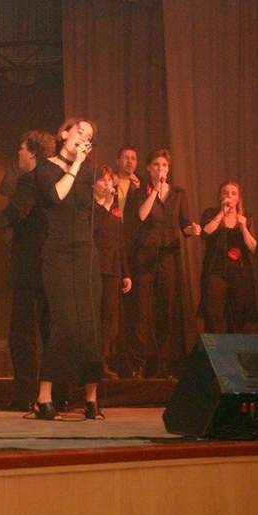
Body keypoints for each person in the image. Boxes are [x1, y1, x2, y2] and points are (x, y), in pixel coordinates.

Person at [0, 130, 53, 411]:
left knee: (23, 333)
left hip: (30, 266)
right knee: (50, 332)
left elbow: (16, 213)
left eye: (22, 149)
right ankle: (55, 395)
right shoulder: (56, 180)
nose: (18, 153)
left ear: (33, 153)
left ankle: (25, 395)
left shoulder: (30, 180)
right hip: (53, 266)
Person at [31, 118, 101, 420]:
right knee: (64, 322)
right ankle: (44, 396)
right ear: (64, 134)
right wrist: (76, 166)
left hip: (84, 251)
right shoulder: (45, 168)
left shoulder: (87, 172)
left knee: (89, 323)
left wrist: (103, 195)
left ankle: (91, 398)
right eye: (79, 131)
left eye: (89, 135)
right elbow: (56, 196)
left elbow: (87, 209)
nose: (84, 137)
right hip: (57, 251)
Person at [133, 149, 201, 378]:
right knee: (143, 310)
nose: (160, 168)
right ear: (148, 168)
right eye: (156, 165)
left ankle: (164, 364)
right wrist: (155, 191)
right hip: (145, 256)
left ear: (168, 169)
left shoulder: (179, 194)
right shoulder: (141, 191)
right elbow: (141, 216)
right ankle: (141, 363)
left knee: (167, 309)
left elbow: (184, 224)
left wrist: (192, 229)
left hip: (169, 257)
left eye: (164, 165)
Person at [198, 181, 258, 333]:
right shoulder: (211, 213)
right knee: (213, 314)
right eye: (225, 193)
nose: (229, 196)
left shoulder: (246, 217)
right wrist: (221, 214)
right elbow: (205, 232)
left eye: (233, 193)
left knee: (237, 315)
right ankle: (214, 347)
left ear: (238, 198)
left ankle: (234, 346)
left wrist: (243, 227)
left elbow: (253, 247)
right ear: (220, 196)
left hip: (239, 271)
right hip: (215, 270)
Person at [93, 165, 132, 379]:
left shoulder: (115, 207)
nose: (108, 183)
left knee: (109, 316)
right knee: (94, 315)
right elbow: (93, 230)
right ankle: (91, 361)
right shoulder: (89, 207)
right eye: (103, 180)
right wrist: (106, 204)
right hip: (94, 267)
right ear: (93, 184)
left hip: (113, 268)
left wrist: (126, 272)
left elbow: (120, 240)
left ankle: (103, 361)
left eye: (109, 179)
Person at [113, 145, 143, 377]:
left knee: (133, 308)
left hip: (133, 250)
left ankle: (132, 360)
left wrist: (139, 191)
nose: (130, 162)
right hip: (111, 246)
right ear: (118, 161)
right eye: (125, 158)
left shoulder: (140, 186)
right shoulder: (109, 181)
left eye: (133, 158)